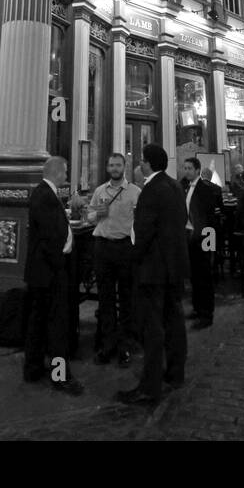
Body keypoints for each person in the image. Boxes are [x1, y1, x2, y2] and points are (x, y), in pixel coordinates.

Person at [117, 144, 189, 406]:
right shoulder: (174, 186)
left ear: (147, 164)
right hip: (174, 266)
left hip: (154, 269)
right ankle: (175, 373)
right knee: (174, 321)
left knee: (152, 327)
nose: (139, 164)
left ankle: (150, 386)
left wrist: (133, 259)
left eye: (141, 161)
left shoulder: (150, 190)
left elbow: (144, 232)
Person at [23, 156, 83, 396]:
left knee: (38, 321)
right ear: (57, 173)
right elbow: (52, 237)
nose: (67, 176)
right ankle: (60, 376)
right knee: (57, 324)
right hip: (50, 272)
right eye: (65, 171)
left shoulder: (44, 194)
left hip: (41, 271)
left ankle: (34, 368)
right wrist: (62, 263)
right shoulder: (46, 196)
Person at [88, 153, 141, 366]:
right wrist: (97, 214)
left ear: (124, 167)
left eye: (118, 165)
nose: (115, 168)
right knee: (105, 298)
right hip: (103, 248)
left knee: (126, 299)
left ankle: (124, 346)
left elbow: (140, 222)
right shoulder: (100, 191)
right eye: (111, 165)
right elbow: (89, 217)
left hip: (125, 248)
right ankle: (107, 345)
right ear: (108, 168)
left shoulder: (136, 192)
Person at [182, 158, 223, 329]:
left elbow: (210, 218)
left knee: (204, 276)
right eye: (185, 168)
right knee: (195, 275)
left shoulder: (205, 189)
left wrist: (210, 244)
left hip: (203, 237)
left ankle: (207, 314)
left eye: (190, 168)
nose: (187, 171)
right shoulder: (186, 187)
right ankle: (198, 308)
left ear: (198, 170)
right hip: (191, 237)